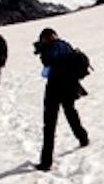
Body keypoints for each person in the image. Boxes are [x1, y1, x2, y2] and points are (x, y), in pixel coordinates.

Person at [33, 27, 89, 171]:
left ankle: (46, 162)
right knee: (70, 112)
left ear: (47, 37)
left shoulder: (52, 47)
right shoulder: (66, 45)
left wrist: (42, 51)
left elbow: (47, 62)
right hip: (70, 86)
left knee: (49, 123)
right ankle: (83, 137)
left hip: (55, 87)